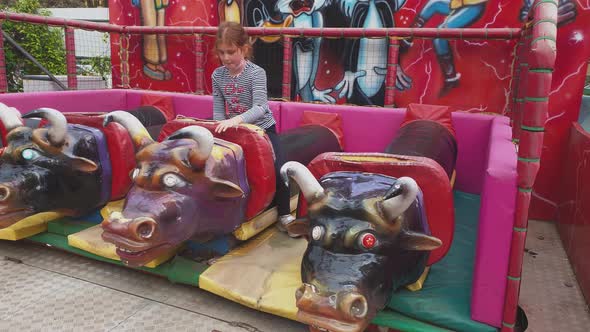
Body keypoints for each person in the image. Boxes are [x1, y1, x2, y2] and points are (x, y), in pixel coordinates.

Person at [212, 21, 295, 234]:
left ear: (244, 49)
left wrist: (236, 120)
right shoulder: (217, 76)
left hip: (262, 129)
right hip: (237, 132)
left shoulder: (256, 73)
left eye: (231, 52)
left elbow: (260, 106)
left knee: (279, 169)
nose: (226, 58)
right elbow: (218, 111)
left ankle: (285, 213)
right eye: (221, 52)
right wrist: (220, 129)